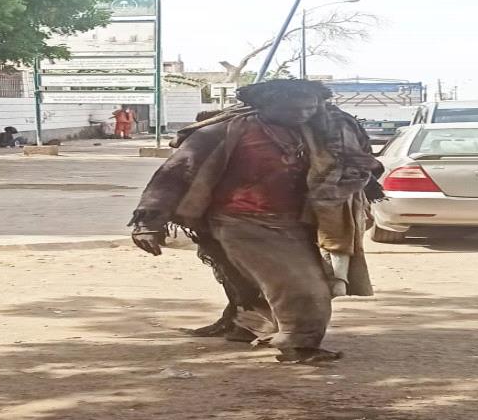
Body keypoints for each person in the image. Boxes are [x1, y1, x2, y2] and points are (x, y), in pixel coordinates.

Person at [129, 79, 383, 362]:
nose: (302, 114)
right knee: (301, 285)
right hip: (240, 221)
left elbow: (351, 164)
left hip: (299, 222)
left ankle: (248, 326)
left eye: (309, 108)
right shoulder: (224, 131)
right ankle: (299, 345)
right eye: (293, 109)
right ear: (264, 106)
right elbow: (174, 174)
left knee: (295, 281)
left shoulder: (324, 131)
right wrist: (148, 222)